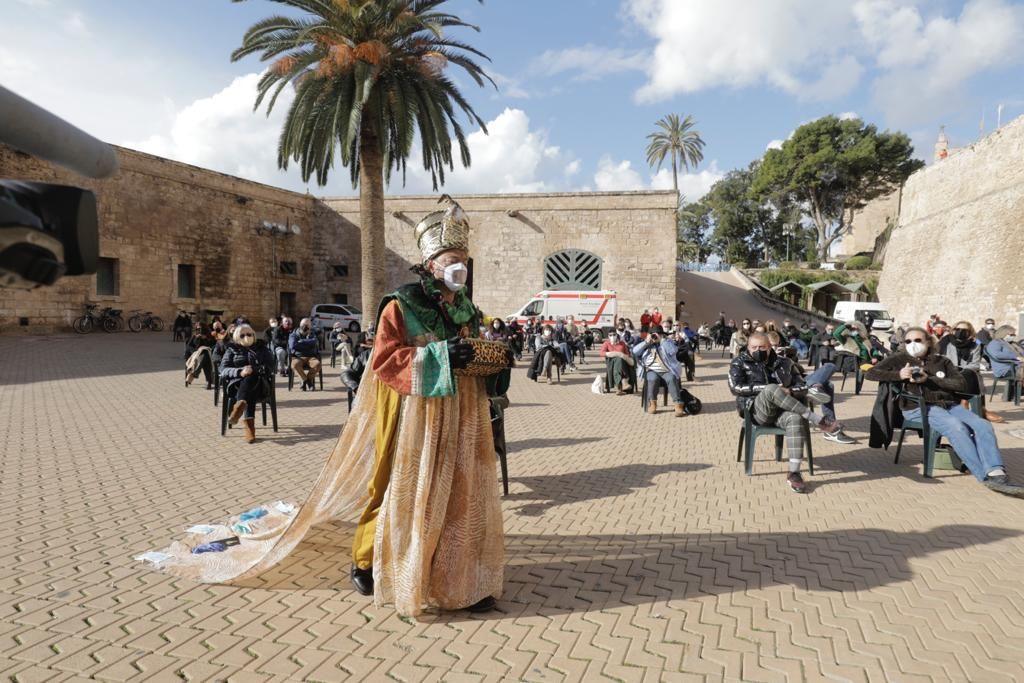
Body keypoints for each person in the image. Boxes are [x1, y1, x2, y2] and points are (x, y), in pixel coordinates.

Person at [866, 327, 1024, 497]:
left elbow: (960, 384)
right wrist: (899, 374)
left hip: (948, 404)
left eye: (918, 340)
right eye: (908, 341)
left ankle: (996, 473)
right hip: (918, 407)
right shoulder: (898, 359)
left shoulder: (942, 361)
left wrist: (931, 380)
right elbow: (871, 373)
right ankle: (984, 476)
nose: (913, 344)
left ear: (928, 341)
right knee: (956, 427)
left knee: (982, 425)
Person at [729, 333, 842, 493]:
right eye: (754, 347)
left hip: (784, 411)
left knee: (795, 418)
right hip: (757, 411)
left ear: (770, 347)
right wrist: (768, 389)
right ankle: (816, 419)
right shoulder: (739, 363)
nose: (758, 350)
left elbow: (803, 386)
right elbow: (736, 388)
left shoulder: (785, 363)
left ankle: (794, 472)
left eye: (762, 347)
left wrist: (788, 390)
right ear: (748, 348)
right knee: (771, 388)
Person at [220, 323, 275, 443]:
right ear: (236, 337)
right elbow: (223, 369)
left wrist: (253, 369)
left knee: (252, 377)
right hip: (236, 386)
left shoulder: (262, 348)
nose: (246, 336)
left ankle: (240, 407)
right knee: (249, 390)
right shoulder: (231, 350)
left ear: (254, 335)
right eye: (243, 334)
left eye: (249, 334)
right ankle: (249, 427)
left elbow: (270, 366)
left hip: (260, 385)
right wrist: (240, 372)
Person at [632, 325, 698, 417]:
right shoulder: (647, 344)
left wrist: (662, 340)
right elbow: (635, 351)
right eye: (654, 334)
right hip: (652, 370)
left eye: (659, 334)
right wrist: (646, 342)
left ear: (662, 334)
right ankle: (652, 403)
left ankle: (678, 404)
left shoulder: (667, 342)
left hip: (666, 369)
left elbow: (673, 351)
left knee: (671, 378)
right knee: (652, 379)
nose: (656, 336)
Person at [288, 318, 322, 390]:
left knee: (317, 364)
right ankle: (308, 382)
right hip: (298, 357)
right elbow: (293, 346)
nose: (306, 327)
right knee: (294, 365)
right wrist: (307, 343)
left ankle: (305, 380)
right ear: (300, 325)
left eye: (308, 325)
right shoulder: (293, 335)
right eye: (304, 325)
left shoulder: (312, 334)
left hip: (311, 357)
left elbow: (314, 342)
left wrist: (301, 342)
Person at [600, 329, 635, 395]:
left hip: (623, 362)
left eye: (614, 335)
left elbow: (627, 354)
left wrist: (622, 355)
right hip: (611, 362)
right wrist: (616, 354)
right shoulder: (607, 343)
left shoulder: (622, 343)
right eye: (610, 335)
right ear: (608, 336)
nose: (612, 336)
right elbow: (601, 353)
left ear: (617, 335)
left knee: (620, 360)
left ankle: (618, 387)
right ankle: (624, 381)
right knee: (619, 360)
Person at [184, 322, 215, 390]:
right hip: (196, 354)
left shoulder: (209, 335)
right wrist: (196, 339)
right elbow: (189, 346)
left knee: (204, 355)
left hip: (207, 352)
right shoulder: (194, 335)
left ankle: (193, 373)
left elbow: (213, 345)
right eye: (198, 328)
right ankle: (209, 382)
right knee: (204, 358)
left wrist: (206, 339)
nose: (200, 330)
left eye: (201, 328)